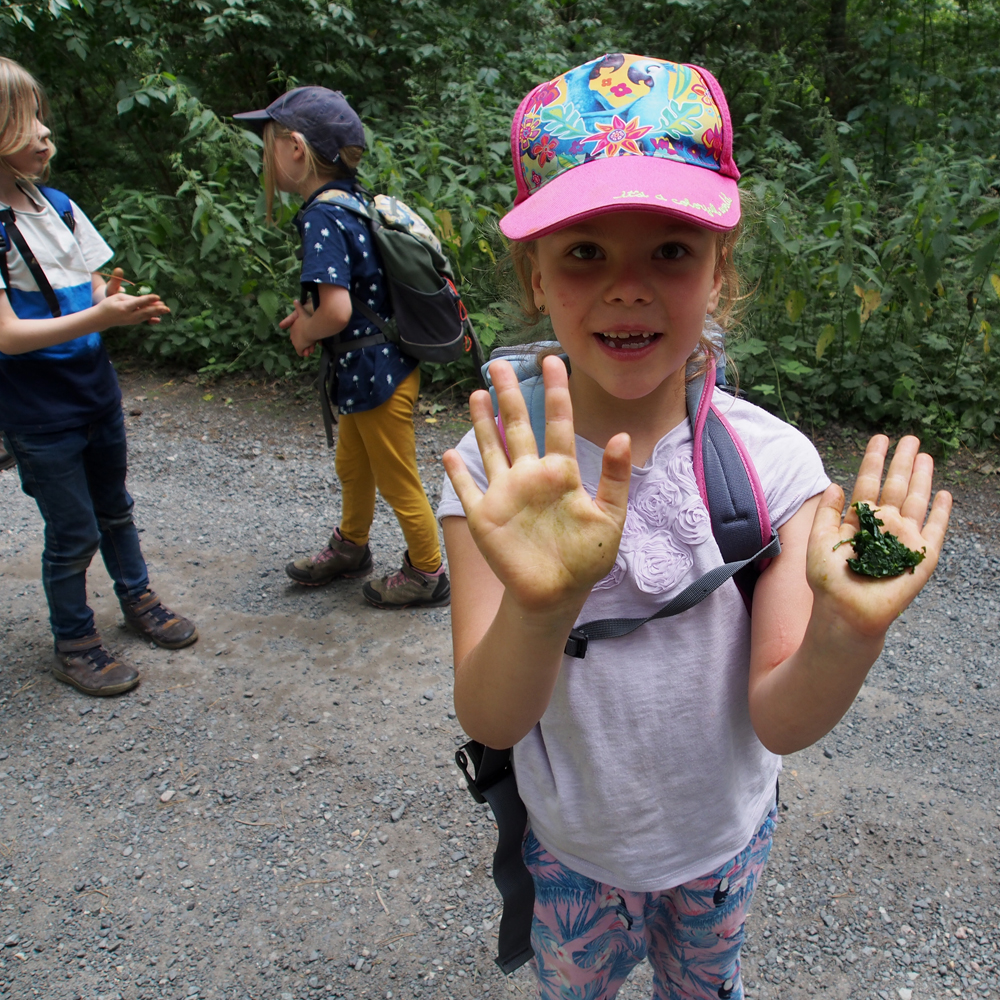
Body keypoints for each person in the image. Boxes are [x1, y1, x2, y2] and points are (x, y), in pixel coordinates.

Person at [437, 54, 951, 999]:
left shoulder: (776, 465)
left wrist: (849, 633)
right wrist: (545, 606)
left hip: (721, 846)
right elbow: (491, 716)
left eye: (671, 250)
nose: (628, 286)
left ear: (721, 271)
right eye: (584, 251)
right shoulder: (495, 473)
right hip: (574, 851)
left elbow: (781, 718)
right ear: (535, 277)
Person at [0, 57, 197, 697]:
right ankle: (75, 639)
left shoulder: (55, 205)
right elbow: (5, 334)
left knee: (115, 507)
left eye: (41, 119)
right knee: (73, 528)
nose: (43, 135)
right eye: (24, 121)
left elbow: (88, 285)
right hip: (37, 408)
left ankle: (138, 599)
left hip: (94, 390)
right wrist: (99, 314)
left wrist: (117, 306)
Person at [235, 87, 449, 609]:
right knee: (353, 466)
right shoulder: (351, 202)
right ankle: (352, 546)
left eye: (269, 146)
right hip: (372, 368)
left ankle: (428, 571)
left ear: (294, 148)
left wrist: (304, 331)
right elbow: (349, 292)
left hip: (376, 373)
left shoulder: (321, 215)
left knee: (399, 480)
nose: (267, 161)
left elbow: (337, 311)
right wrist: (310, 314)